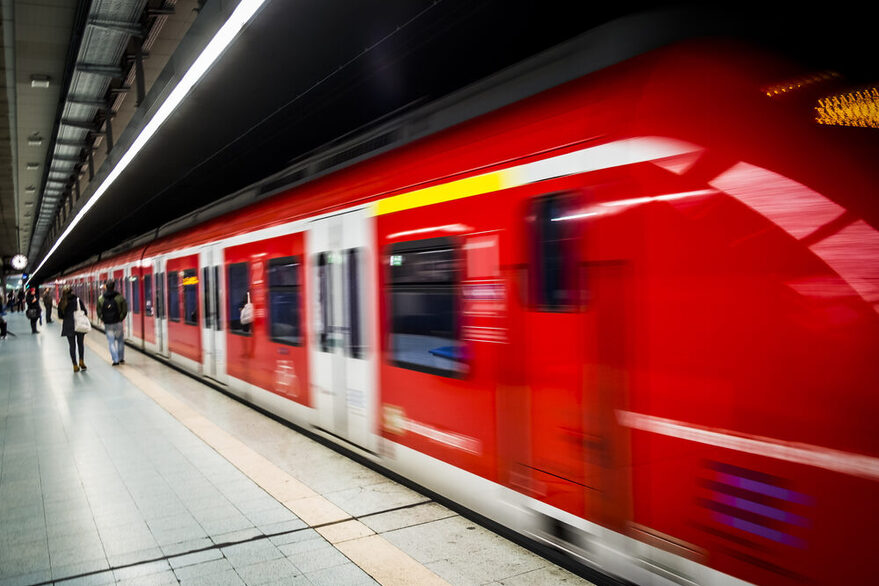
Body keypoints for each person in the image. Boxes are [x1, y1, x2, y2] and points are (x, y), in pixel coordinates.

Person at [97, 279, 128, 365]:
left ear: (106, 287)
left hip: (108, 324)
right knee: (120, 341)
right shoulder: (120, 297)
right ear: (114, 286)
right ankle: (121, 358)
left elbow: (99, 311)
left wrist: (103, 319)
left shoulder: (101, 298)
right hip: (118, 323)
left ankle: (115, 360)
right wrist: (120, 318)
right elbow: (124, 310)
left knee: (111, 342)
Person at [58, 286, 87, 372]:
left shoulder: (62, 302)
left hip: (68, 325)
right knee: (80, 344)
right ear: (72, 291)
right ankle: (81, 361)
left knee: (72, 346)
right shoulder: (77, 300)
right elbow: (85, 311)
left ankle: (74, 365)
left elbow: (60, 316)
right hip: (79, 324)